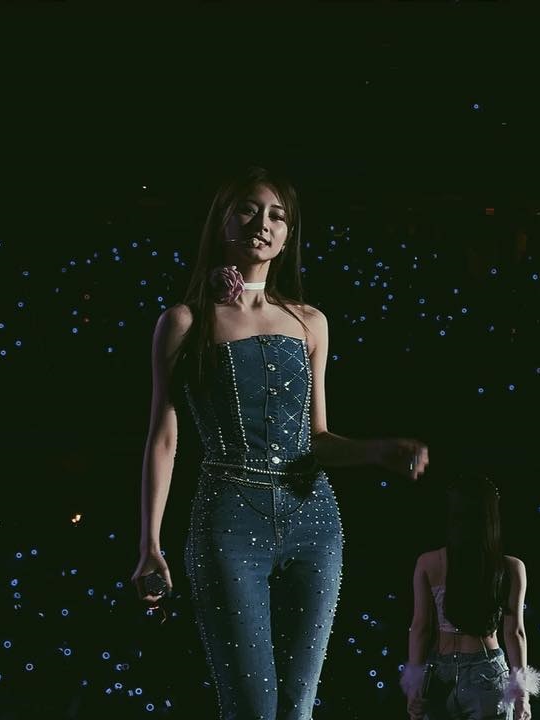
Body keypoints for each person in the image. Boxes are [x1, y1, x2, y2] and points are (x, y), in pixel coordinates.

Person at [131, 166, 429, 720]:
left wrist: (375, 450)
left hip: (314, 521)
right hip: (228, 519)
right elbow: (164, 437)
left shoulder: (310, 322)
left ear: (288, 236)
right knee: (252, 708)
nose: (262, 224)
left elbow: (318, 439)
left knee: (297, 710)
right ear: (222, 221)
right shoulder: (184, 322)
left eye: (277, 215)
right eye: (248, 209)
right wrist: (150, 543)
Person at [401, 474, 540, 720]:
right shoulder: (511, 568)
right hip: (486, 674)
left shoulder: (429, 563)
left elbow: (420, 628)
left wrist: (414, 687)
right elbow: (515, 633)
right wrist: (522, 696)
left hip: (439, 677)